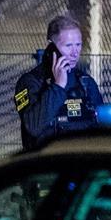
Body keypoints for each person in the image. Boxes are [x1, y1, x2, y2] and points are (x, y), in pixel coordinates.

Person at [13, 13, 103, 148]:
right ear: (52, 48)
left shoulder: (85, 82)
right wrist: (58, 86)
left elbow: (102, 126)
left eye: (78, 45)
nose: (75, 52)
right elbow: (33, 126)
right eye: (68, 46)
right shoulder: (31, 82)